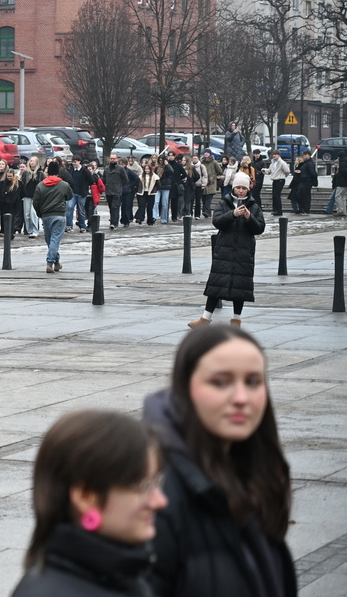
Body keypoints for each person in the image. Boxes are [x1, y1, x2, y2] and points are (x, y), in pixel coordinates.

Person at [142, 325, 295, 597]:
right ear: (185, 386)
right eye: (220, 382)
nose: (240, 398)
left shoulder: (254, 469)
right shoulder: (158, 493)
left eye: (253, 381)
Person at [10, 410, 168, 597]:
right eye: (143, 487)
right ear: (86, 497)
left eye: (157, 482)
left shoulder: (124, 573)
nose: (160, 501)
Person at [189, 172, 265, 328]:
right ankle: (205, 319)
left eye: (243, 188)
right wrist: (233, 214)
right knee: (215, 286)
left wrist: (249, 218)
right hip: (224, 250)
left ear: (248, 189)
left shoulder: (254, 205)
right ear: (233, 187)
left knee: (240, 287)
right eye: (238, 187)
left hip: (244, 251)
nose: (241, 191)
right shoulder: (224, 203)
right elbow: (217, 222)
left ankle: (236, 320)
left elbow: (259, 228)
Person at [32, 161, 72, 274]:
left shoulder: (40, 185)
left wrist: (40, 213)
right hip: (59, 215)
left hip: (46, 216)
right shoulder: (64, 185)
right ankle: (51, 262)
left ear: (48, 172)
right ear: (58, 172)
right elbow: (70, 196)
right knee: (55, 240)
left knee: (50, 240)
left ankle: (56, 263)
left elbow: (35, 202)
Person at [66, 158, 90, 233]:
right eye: (73, 162)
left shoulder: (84, 171)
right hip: (73, 192)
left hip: (81, 193)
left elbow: (91, 180)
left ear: (79, 161)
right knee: (69, 207)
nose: (74, 164)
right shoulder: (72, 170)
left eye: (75, 162)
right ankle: (69, 225)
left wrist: (85, 188)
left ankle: (82, 225)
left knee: (81, 210)